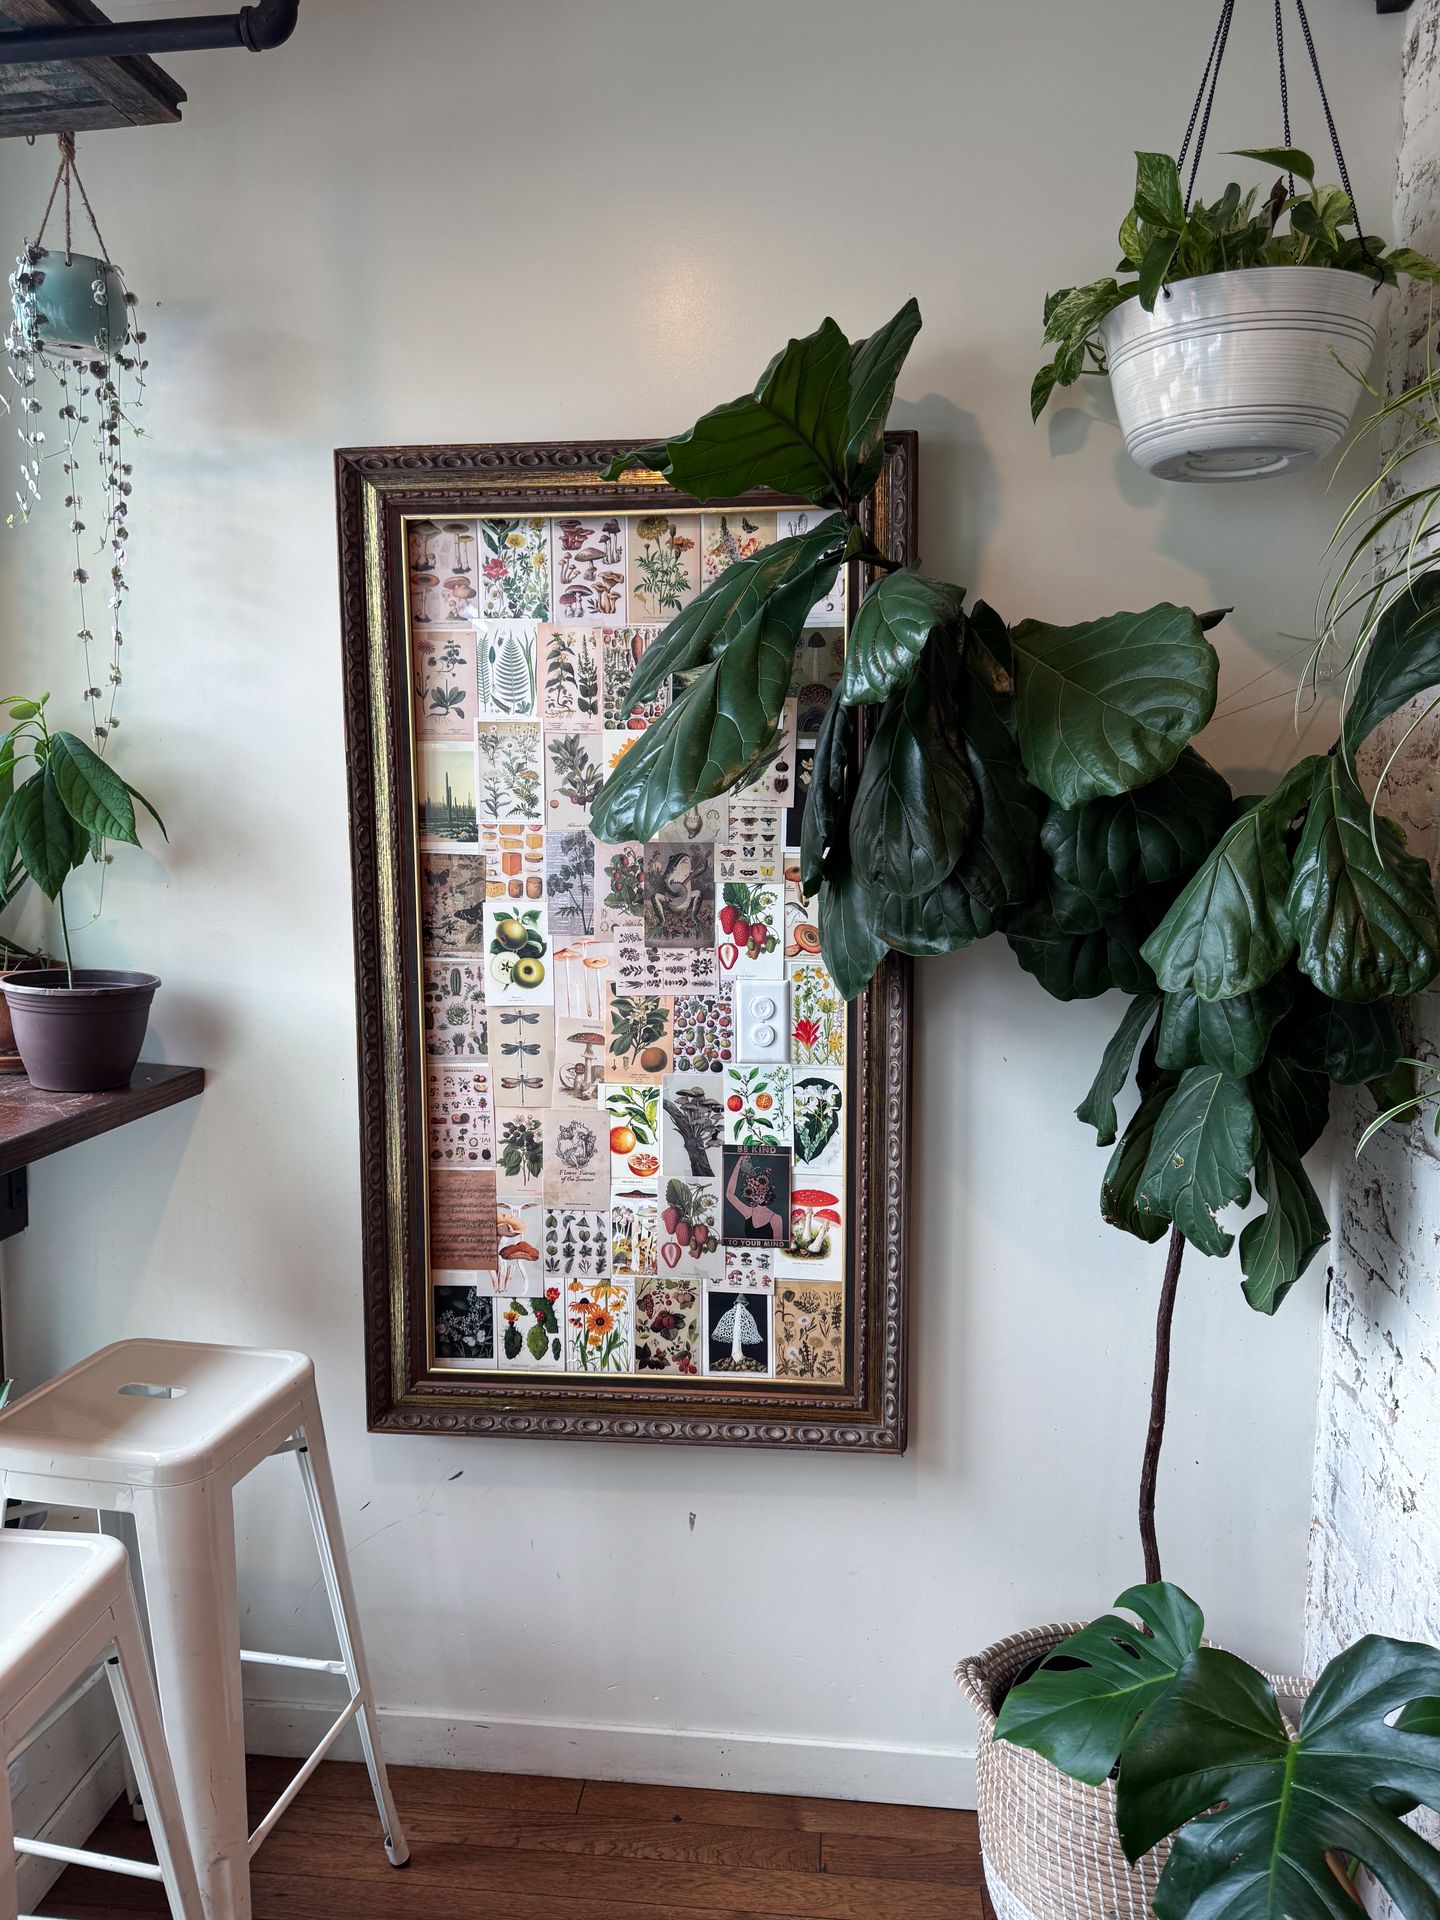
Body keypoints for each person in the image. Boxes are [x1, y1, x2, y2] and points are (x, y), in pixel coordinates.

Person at [725, 1153, 785, 1245]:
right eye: (755, 1189)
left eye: (762, 1189)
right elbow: (729, 1194)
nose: (759, 1193)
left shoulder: (776, 1218)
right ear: (751, 1193)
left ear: (767, 1190)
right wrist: (739, 1163)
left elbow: (779, 1247)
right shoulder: (748, 1212)